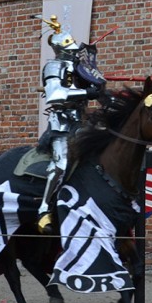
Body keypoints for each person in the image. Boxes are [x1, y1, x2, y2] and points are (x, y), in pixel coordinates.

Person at [37, 15, 106, 234]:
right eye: (71, 50)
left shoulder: (78, 70)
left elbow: (93, 83)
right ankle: (44, 209)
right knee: (61, 164)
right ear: (60, 50)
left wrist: (98, 89)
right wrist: (87, 92)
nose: (75, 52)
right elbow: (55, 95)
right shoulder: (53, 67)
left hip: (82, 121)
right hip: (62, 124)